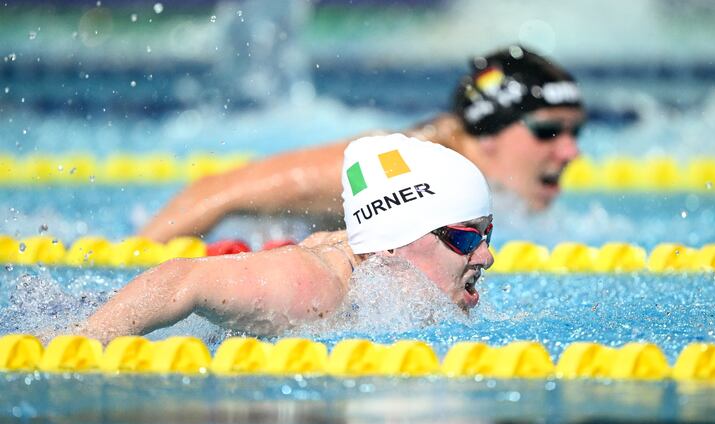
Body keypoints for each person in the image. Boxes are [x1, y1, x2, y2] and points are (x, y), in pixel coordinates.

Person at [140, 45, 583, 242]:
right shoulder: (394, 166)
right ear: (488, 131)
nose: (569, 152)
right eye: (548, 131)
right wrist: (126, 265)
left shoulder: (485, 194)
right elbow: (215, 191)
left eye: (574, 133)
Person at [83, 134, 494, 343]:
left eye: (486, 233)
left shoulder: (385, 272)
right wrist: (76, 343)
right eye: (465, 238)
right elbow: (182, 279)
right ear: (390, 242)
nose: (487, 256)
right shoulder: (318, 289)